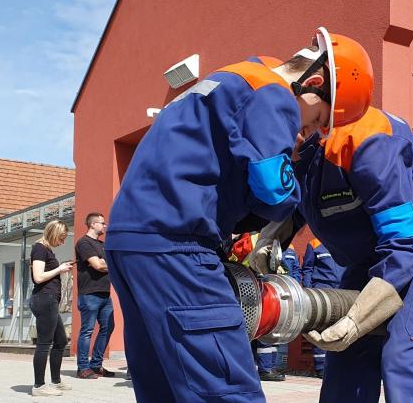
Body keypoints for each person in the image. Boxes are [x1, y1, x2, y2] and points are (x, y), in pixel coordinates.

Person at [104, 28, 373, 403]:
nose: (305, 133)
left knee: (162, 386)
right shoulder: (272, 93)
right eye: (314, 121)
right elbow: (271, 189)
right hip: (178, 244)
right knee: (228, 390)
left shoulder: (232, 78)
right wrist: (293, 178)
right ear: (313, 83)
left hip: (129, 243)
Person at [257, 95, 413, 400]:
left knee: (406, 357)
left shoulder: (369, 141)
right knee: (346, 361)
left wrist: (358, 319)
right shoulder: (305, 153)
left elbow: (403, 244)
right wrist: (270, 239)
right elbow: (301, 202)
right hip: (374, 253)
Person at [29, 220, 74, 397]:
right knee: (44, 344)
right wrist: (60, 269)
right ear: (53, 234)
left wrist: (61, 268)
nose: (62, 242)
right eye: (61, 239)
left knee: (61, 341)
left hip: (49, 301)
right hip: (44, 299)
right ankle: (39, 386)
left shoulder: (46, 250)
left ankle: (56, 381)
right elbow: (38, 277)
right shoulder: (39, 248)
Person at [75, 212, 116, 379]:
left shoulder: (102, 244)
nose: (105, 226)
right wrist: (107, 264)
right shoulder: (84, 243)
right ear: (92, 224)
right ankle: (82, 368)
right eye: (102, 223)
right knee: (87, 330)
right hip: (89, 293)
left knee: (108, 327)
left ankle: (96, 365)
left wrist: (107, 263)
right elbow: (98, 265)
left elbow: (110, 263)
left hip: (105, 294)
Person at [300, 238, 345, 378]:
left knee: (341, 325)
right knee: (321, 327)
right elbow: (307, 268)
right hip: (322, 289)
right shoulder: (314, 243)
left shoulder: (344, 241)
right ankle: (321, 367)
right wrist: (309, 291)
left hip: (342, 290)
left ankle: (338, 365)